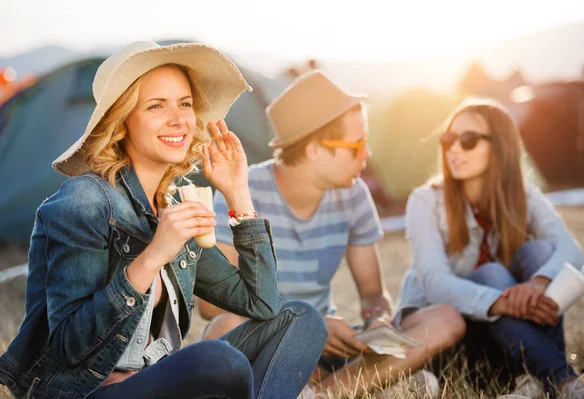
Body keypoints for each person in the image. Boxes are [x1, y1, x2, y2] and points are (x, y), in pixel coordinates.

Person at [0, 41, 327, 399]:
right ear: (122, 123)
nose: (179, 119)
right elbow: (69, 347)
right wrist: (153, 256)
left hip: (157, 381)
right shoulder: (84, 202)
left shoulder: (174, 203)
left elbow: (263, 305)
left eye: (185, 104)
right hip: (87, 393)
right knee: (218, 362)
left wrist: (238, 193)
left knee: (300, 320)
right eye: (155, 106)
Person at [197, 71, 466, 397]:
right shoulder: (242, 188)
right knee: (222, 329)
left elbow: (372, 295)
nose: (366, 155)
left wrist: (377, 319)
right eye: (357, 146)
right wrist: (307, 322)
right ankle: (365, 385)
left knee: (445, 319)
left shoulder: (354, 195)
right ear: (314, 150)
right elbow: (211, 306)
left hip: (332, 346)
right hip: (267, 341)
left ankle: (322, 393)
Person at [396, 98, 584, 398]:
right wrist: (501, 300)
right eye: (448, 139)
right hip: (448, 342)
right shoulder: (425, 201)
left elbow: (571, 251)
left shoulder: (524, 196)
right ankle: (561, 380)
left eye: (468, 140)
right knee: (493, 273)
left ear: (499, 146)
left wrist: (538, 283)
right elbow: (434, 282)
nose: (454, 149)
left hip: (505, 340)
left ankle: (533, 380)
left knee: (538, 255)